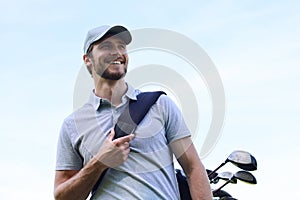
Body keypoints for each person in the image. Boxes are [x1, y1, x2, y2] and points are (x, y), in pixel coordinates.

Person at [54, 25, 212, 200]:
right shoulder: (72, 125)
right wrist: (99, 163)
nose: (117, 52)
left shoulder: (160, 105)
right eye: (107, 46)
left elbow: (193, 168)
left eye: (121, 46)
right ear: (87, 59)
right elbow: (62, 197)